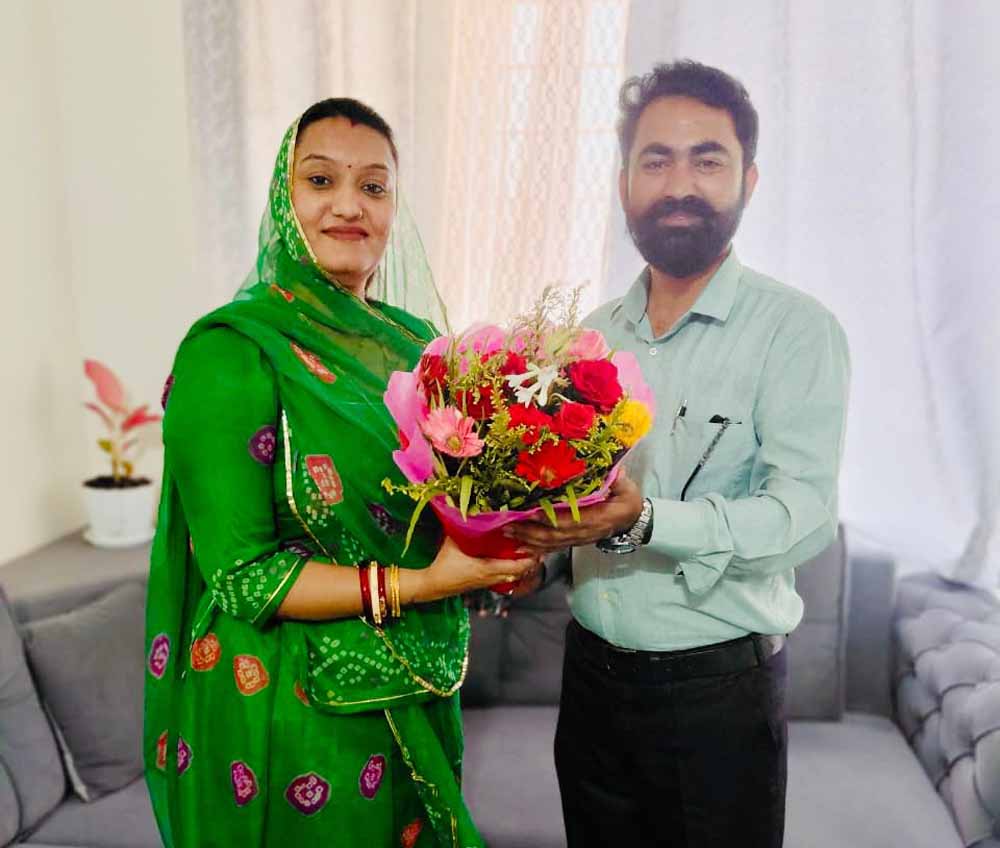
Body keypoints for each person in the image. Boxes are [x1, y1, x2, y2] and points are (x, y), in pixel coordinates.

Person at [144, 97, 538, 848]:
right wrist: (425, 585)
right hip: (285, 709)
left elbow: (444, 513)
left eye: (374, 186)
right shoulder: (232, 353)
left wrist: (501, 555)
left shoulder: (419, 347)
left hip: (415, 678)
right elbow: (243, 577)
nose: (349, 206)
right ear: (282, 198)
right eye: (321, 180)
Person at [508, 60, 851, 847]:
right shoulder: (587, 338)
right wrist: (531, 557)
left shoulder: (796, 332)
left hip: (717, 696)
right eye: (656, 160)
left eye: (708, 160)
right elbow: (575, 506)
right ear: (624, 182)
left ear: (748, 181)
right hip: (590, 685)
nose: (680, 185)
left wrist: (648, 520)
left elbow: (804, 517)